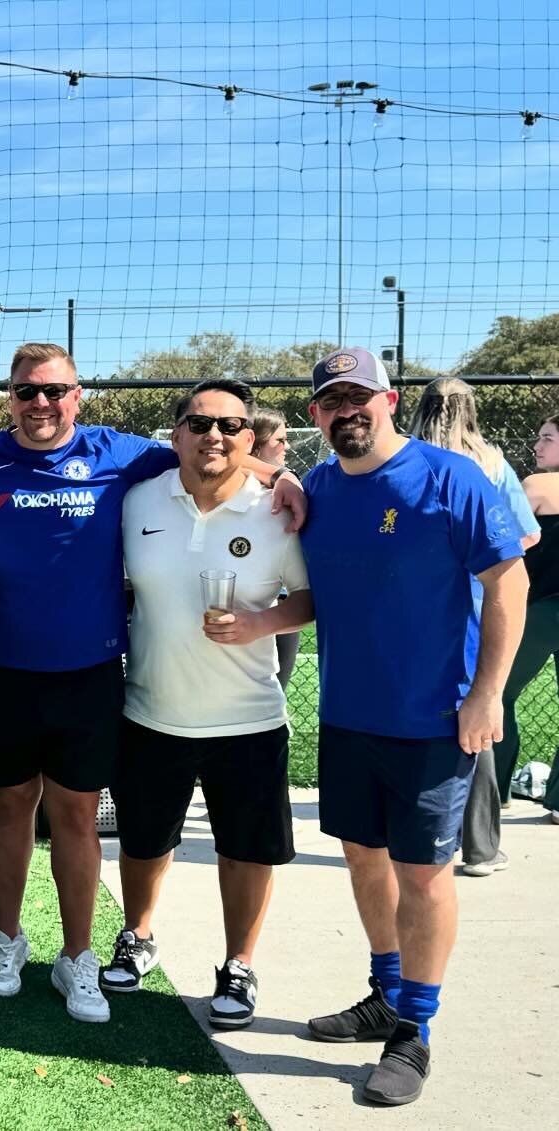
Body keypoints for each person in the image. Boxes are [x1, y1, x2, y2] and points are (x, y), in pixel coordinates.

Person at [0, 342, 303, 1025]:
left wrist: (280, 474)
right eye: (25, 392)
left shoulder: (122, 454)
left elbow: (211, 449)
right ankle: (7, 939)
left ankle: (77, 957)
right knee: (10, 808)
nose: (40, 404)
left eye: (54, 391)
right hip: (2, 674)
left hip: (90, 674)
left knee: (75, 816)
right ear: (8, 398)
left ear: (79, 395)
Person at [299, 347, 526, 1106]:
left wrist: (487, 692)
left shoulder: (450, 477)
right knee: (363, 859)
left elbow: (509, 583)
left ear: (390, 399)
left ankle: (415, 1029)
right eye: (333, 399)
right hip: (347, 718)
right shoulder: (318, 488)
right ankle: (385, 994)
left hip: (434, 719)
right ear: (316, 416)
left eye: (360, 394)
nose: (348, 409)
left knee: (423, 876)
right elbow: (320, 591)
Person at [105, 377, 312, 1030]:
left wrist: (257, 625)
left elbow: (311, 598)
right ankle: (137, 936)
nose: (213, 436)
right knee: (142, 840)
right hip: (150, 710)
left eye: (229, 426)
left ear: (249, 437)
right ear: (176, 435)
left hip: (247, 716)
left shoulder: (278, 511)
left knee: (246, 849)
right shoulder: (137, 499)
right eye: (199, 424)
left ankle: (239, 963)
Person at [408, 378, 541, 878]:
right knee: (476, 713)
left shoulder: (409, 458)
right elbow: (526, 534)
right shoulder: (488, 461)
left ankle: (420, 834)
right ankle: (481, 847)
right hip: (484, 607)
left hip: (421, 611)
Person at [493, 415, 559, 826]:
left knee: (496, 693)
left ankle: (494, 792)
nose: (537, 445)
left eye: (547, 438)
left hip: (538, 609)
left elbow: (500, 540)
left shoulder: (537, 484)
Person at [251, 406, 301, 691]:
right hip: (245, 606)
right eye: (279, 440)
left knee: (275, 690)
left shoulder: (291, 492)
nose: (287, 446)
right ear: (254, 444)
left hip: (284, 606)